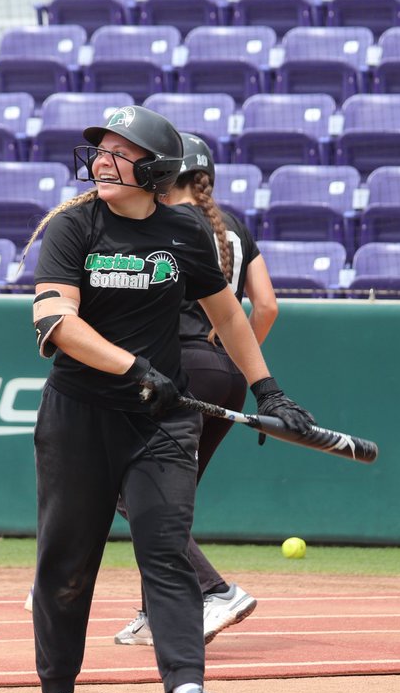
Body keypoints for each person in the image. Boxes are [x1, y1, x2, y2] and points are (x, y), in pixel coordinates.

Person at [23, 104, 315, 693]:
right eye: (98, 150)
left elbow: (233, 316)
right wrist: (134, 367)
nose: (100, 160)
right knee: (67, 565)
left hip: (159, 423)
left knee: (165, 551)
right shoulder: (75, 227)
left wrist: (269, 388)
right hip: (79, 419)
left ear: (153, 169)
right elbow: (54, 321)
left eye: (118, 152)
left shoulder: (183, 229)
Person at [113, 132, 278, 648]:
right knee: (166, 500)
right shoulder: (233, 226)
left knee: (130, 490)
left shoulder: (163, 222)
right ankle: (154, 611)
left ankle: (215, 590)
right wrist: (233, 348)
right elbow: (267, 306)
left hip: (177, 371)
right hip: (228, 373)